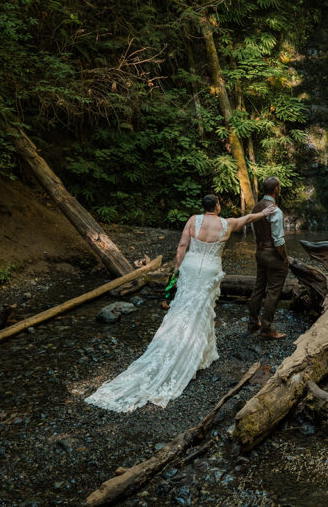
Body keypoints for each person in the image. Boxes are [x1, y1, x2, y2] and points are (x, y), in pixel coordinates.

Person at [84, 194, 276, 413]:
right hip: (210, 270)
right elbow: (248, 218)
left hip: (191, 267)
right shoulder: (227, 223)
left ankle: (192, 347)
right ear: (217, 207)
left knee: (182, 306)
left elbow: (182, 245)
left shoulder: (194, 220)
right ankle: (198, 351)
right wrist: (263, 213)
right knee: (203, 309)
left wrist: (177, 268)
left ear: (204, 207)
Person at [248, 176, 289, 339]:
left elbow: (256, 233)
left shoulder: (256, 208)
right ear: (276, 189)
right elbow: (278, 240)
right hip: (272, 255)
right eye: (279, 186)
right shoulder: (275, 211)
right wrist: (284, 258)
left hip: (260, 253)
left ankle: (252, 323)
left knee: (258, 287)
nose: (280, 189)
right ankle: (266, 329)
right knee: (273, 292)